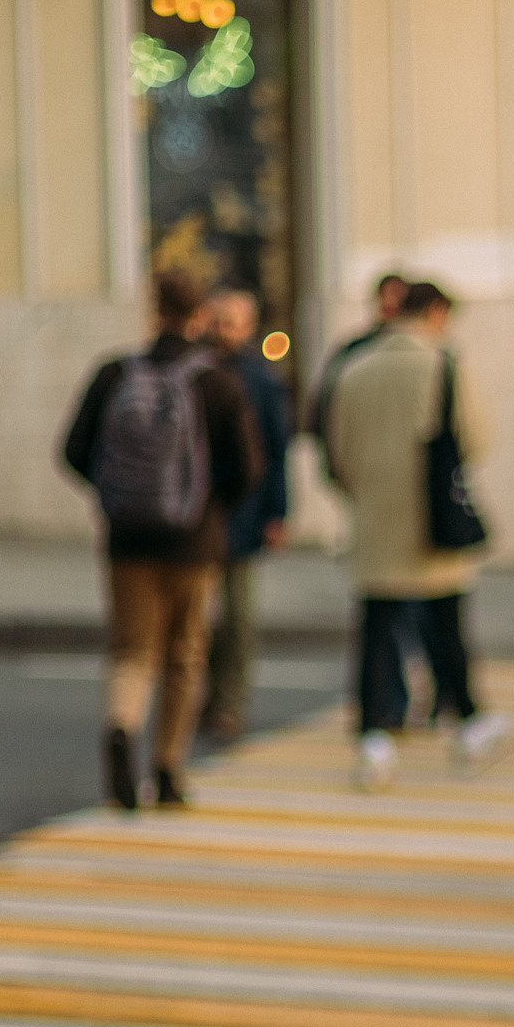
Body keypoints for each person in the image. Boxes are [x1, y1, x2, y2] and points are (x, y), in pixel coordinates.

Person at [62, 267, 259, 811]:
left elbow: (73, 451)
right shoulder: (216, 380)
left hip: (126, 541)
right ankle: (168, 768)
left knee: (131, 651)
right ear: (199, 316)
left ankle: (123, 724)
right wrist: (207, 505)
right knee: (184, 655)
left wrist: (115, 497)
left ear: (153, 312)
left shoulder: (113, 374)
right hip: (196, 544)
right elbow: (247, 467)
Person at [323, 278, 512, 786]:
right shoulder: (445, 365)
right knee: (448, 623)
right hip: (431, 520)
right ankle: (467, 718)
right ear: (433, 314)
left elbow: (335, 454)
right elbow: (474, 438)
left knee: (376, 629)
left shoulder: (353, 368)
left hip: (374, 520)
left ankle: (372, 735)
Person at [199, 288, 291, 744]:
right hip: (197, 515)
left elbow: (277, 451)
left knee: (236, 616)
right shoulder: (194, 373)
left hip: (243, 512)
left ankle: (229, 702)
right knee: (199, 617)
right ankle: (202, 696)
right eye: (220, 320)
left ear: (250, 327)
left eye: (234, 321)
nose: (226, 329)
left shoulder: (260, 380)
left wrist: (277, 512)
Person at [312, 269, 407, 464]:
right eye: (384, 296)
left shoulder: (424, 352)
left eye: (397, 297)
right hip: (365, 457)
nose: (390, 303)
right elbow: (326, 401)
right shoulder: (353, 350)